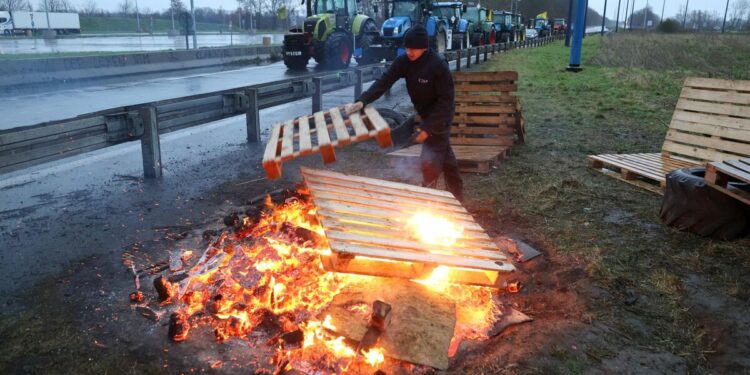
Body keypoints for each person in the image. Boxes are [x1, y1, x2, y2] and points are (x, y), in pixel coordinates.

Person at [346, 25, 464, 201]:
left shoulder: (438, 66)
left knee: (431, 158)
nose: (409, 52)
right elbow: (384, 81)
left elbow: (446, 102)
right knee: (447, 161)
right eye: (407, 48)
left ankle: (429, 197)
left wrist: (428, 128)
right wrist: (363, 100)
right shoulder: (404, 62)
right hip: (424, 114)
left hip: (440, 117)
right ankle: (457, 197)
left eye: (413, 49)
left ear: (424, 47)